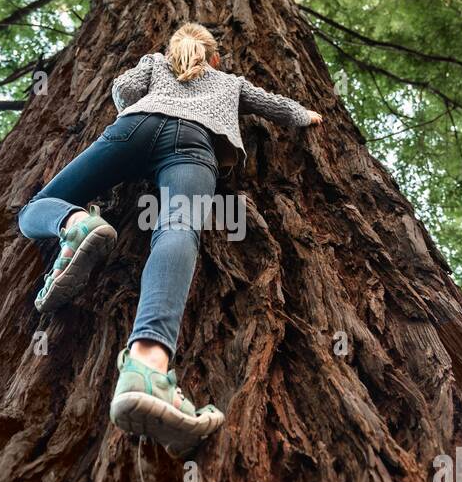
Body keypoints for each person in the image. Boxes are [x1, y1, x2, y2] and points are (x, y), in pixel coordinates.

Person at [17, 23, 322, 454]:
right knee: (178, 230)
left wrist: (147, 104)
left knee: (36, 206)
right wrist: (304, 115)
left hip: (134, 128)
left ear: (175, 49)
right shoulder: (230, 82)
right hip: (195, 147)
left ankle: (73, 224)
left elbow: (122, 90)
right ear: (215, 58)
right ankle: (147, 367)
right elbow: (272, 105)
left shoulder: (156, 62)